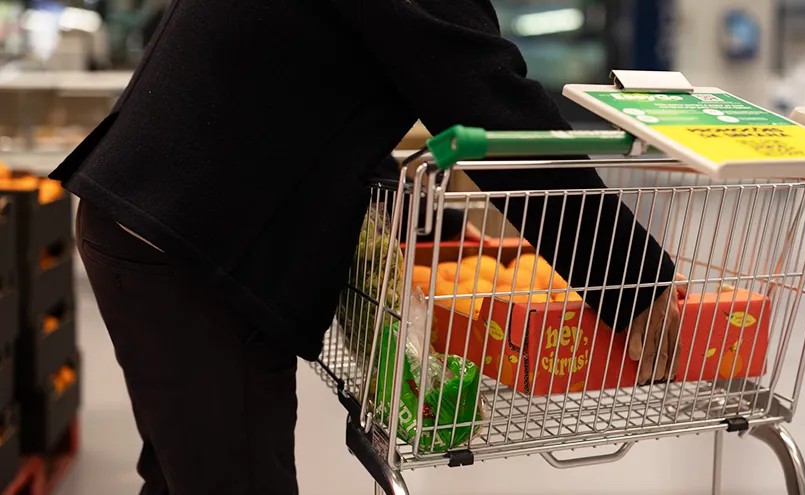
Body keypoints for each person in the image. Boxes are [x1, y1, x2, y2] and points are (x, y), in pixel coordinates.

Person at [52, 1, 682, 493]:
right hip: (195, 250)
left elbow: (326, 105)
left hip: (157, 217)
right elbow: (490, 108)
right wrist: (633, 284)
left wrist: (446, 236)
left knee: (187, 475)